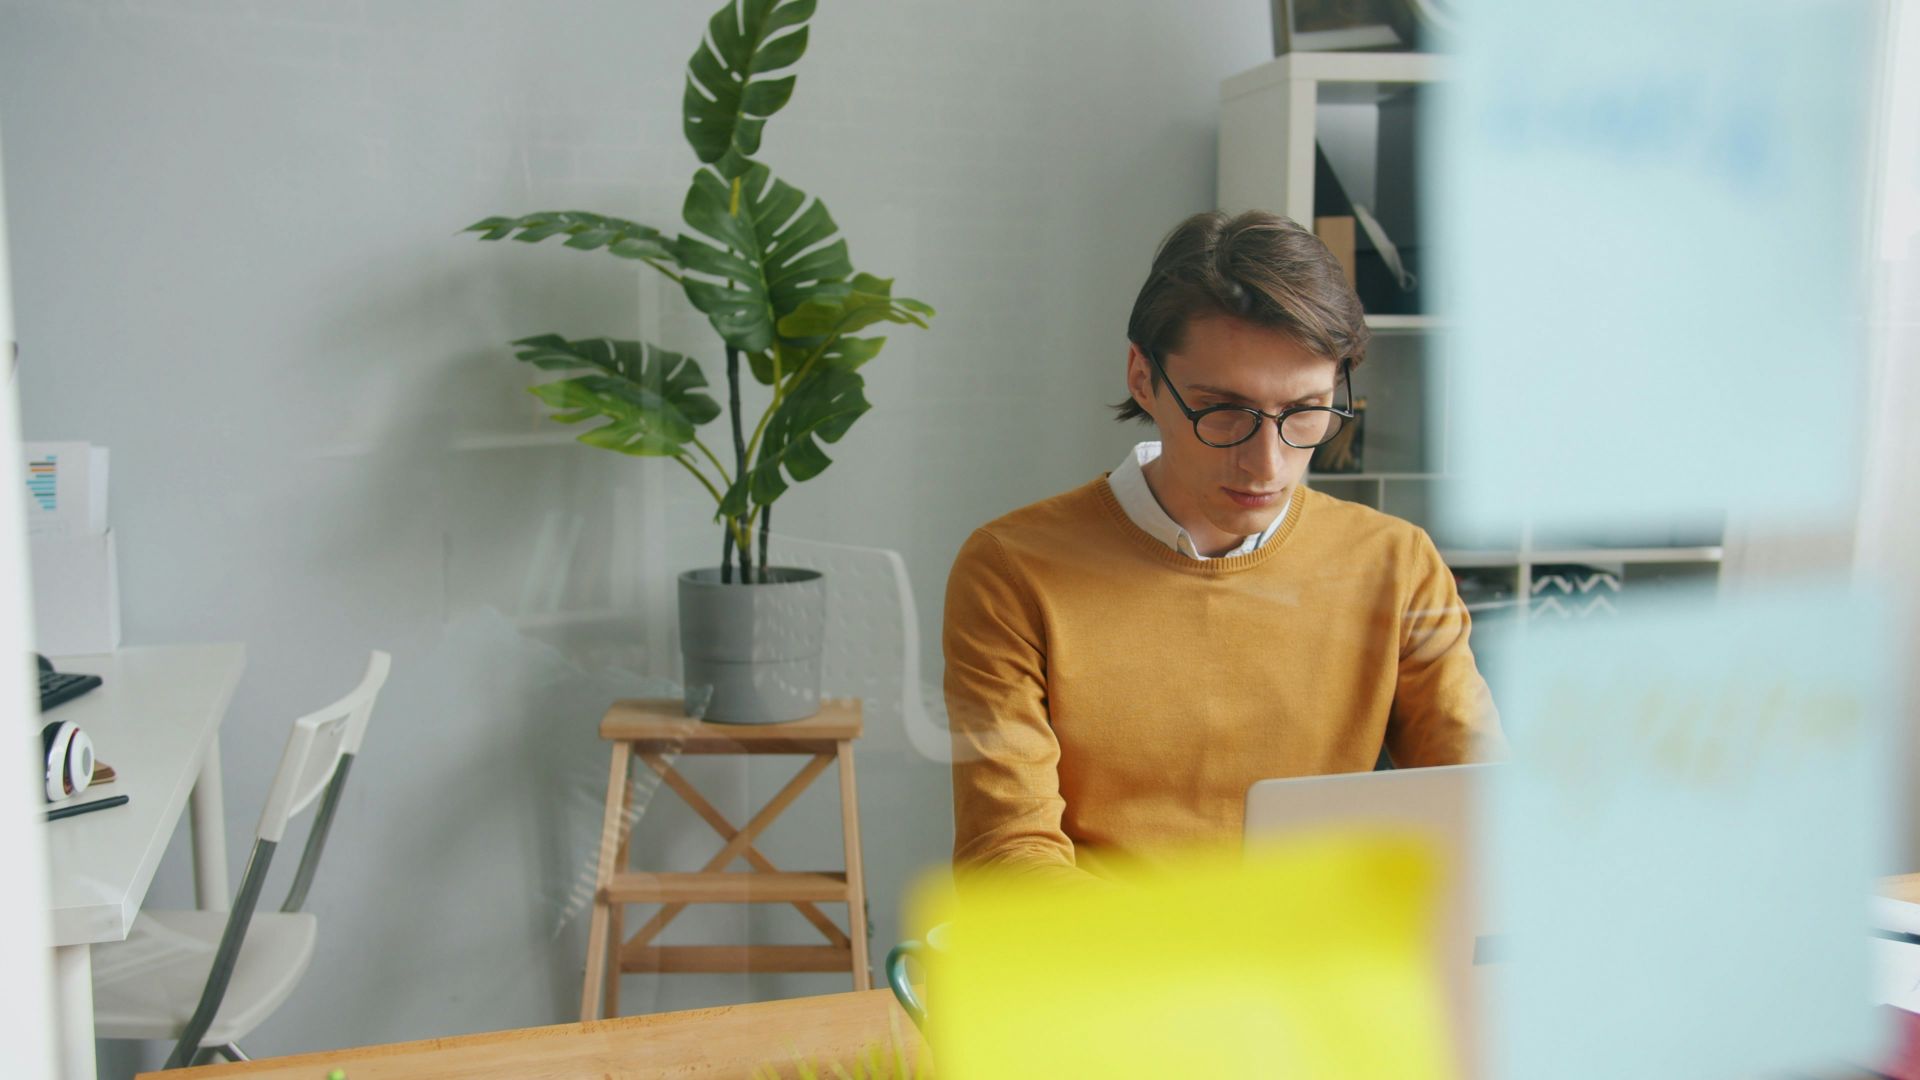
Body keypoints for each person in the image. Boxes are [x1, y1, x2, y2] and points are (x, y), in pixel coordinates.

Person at [943, 210, 1504, 885]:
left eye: (1305, 411)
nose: (1267, 464)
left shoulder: (1396, 564)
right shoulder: (1013, 570)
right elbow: (1008, 854)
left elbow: (1484, 804)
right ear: (1143, 377)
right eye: (1223, 410)